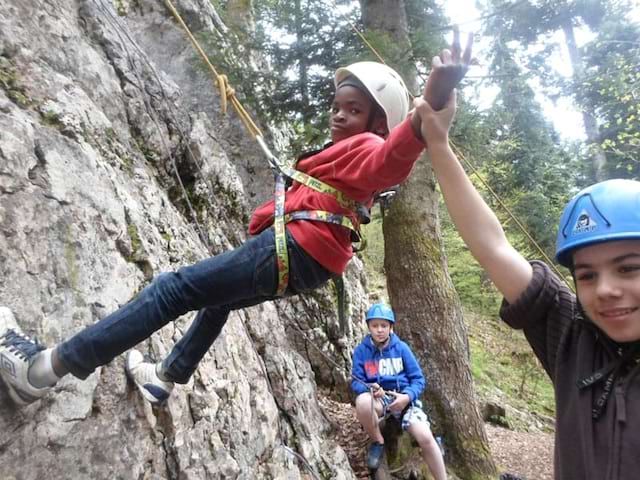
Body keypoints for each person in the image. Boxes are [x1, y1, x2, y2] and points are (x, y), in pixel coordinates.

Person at [0, 38, 474, 407]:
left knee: (174, 288)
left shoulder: (368, 148)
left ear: (377, 123)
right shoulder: (345, 153)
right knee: (216, 302)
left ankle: (42, 370)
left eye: (354, 110)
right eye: (337, 104)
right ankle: (165, 379)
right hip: (308, 261)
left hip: (296, 247)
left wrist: (425, 111)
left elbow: (390, 161)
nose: (338, 114)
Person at [413, 76, 640, 478]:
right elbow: (492, 247)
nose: (605, 289)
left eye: (629, 268)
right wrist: (438, 144)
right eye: (587, 275)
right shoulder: (572, 338)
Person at [351, 303, 446, 479]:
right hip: (380, 401)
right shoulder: (361, 352)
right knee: (363, 402)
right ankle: (378, 442)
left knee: (425, 437)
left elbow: (418, 379)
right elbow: (356, 382)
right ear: (369, 327)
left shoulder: (401, 348)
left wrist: (406, 396)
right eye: (375, 325)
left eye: (384, 325)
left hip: (405, 402)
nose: (379, 330)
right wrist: (370, 389)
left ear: (391, 327)